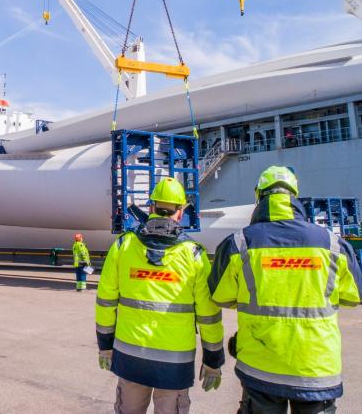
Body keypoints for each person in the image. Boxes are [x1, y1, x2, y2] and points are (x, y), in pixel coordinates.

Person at [209, 166, 362, 414]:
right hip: (316, 369)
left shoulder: (241, 243)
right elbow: (354, 295)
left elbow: (219, 295)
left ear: (259, 196)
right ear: (294, 195)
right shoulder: (332, 244)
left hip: (261, 365)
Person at [96, 177, 224, 414]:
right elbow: (209, 315)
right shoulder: (194, 255)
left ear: (151, 207)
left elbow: (105, 301)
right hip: (175, 363)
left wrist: (105, 346)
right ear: (180, 212)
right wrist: (213, 360)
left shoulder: (123, 246)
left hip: (130, 355)